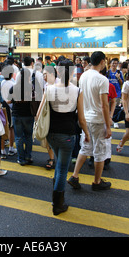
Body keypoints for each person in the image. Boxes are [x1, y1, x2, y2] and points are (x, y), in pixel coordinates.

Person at [38, 59, 90, 215]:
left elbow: (39, 114)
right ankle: (57, 205)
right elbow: (81, 119)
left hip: (51, 134)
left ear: (58, 72)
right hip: (68, 134)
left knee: (59, 165)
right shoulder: (77, 91)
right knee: (61, 169)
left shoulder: (49, 89)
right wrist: (87, 133)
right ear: (73, 72)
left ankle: (57, 199)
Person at [68, 52, 112, 192]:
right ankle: (97, 182)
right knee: (99, 151)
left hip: (85, 118)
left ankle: (75, 176)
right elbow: (104, 105)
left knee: (85, 147)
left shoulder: (84, 76)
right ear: (102, 62)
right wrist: (108, 125)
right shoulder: (102, 79)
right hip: (98, 119)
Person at [9, 67, 34, 165]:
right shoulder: (31, 87)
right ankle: (28, 156)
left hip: (17, 114)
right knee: (28, 136)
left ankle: (21, 159)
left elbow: (8, 99)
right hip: (28, 115)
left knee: (18, 137)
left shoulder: (15, 87)